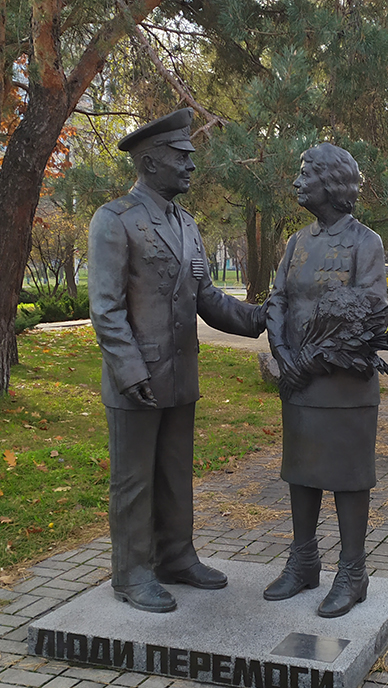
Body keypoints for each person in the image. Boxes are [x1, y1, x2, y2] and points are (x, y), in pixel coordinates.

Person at [88, 108, 265, 613]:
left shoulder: (187, 226)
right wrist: (127, 369)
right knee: (133, 479)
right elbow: (105, 307)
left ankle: (176, 557)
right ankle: (132, 573)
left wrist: (258, 317)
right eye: (180, 157)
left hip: (179, 375)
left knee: (173, 473)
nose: (191, 166)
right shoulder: (114, 220)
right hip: (136, 379)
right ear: (148, 163)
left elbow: (205, 296)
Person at [263, 142, 388, 618]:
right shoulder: (297, 242)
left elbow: (366, 313)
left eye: (306, 174)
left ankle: (352, 573)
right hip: (298, 381)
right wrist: (283, 355)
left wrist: (310, 361)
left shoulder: (366, 243)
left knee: (346, 474)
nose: (298, 182)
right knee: (301, 470)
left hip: (344, 384)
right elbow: (277, 298)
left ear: (331, 182)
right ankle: (303, 562)